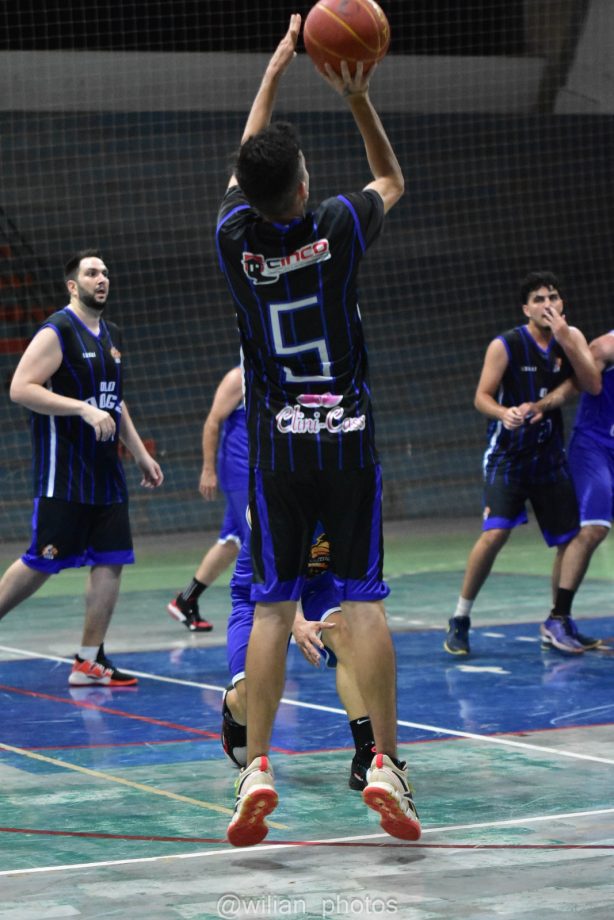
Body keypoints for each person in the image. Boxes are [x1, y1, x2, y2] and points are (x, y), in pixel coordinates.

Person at [216, 15, 420, 847]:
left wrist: (272, 72)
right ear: (303, 185)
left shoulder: (233, 241)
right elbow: (391, 177)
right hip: (347, 442)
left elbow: (247, 162)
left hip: (277, 448)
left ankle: (257, 768)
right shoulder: (337, 224)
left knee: (271, 608)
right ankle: (386, 764)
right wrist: (357, 95)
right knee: (362, 600)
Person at [0, 249, 163, 686]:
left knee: (111, 560)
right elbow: (20, 388)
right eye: (92, 273)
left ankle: (89, 660)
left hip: (106, 475)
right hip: (65, 474)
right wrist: (81, 409)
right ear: (73, 285)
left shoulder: (111, 335)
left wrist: (139, 452)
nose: (102, 278)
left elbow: (114, 401)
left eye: (105, 272)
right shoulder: (58, 331)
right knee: (42, 560)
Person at [444, 271, 601, 657]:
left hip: (549, 457)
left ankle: (558, 620)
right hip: (507, 457)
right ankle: (460, 618)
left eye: (553, 296)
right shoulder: (506, 345)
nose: (548, 304)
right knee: (495, 534)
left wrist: (567, 342)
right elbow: (481, 397)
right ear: (526, 309)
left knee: (568, 540)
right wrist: (504, 413)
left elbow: (589, 384)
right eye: (539, 299)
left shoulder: (570, 338)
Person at [222, 530, 376, 792]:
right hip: (260, 594)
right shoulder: (266, 505)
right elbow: (275, 576)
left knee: (349, 640)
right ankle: (233, 705)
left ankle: (366, 755)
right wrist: (296, 622)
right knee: (252, 694)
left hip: (318, 587)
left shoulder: (346, 504)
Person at [529, 327, 614, 652]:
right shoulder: (605, 347)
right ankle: (558, 617)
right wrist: (545, 404)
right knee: (592, 529)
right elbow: (578, 383)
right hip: (594, 447)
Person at [167, 366, 248, 632]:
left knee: (232, 540)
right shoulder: (238, 377)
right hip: (239, 468)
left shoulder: (273, 373)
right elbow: (212, 422)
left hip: (260, 468)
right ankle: (269, 610)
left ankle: (185, 600)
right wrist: (208, 470)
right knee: (258, 538)